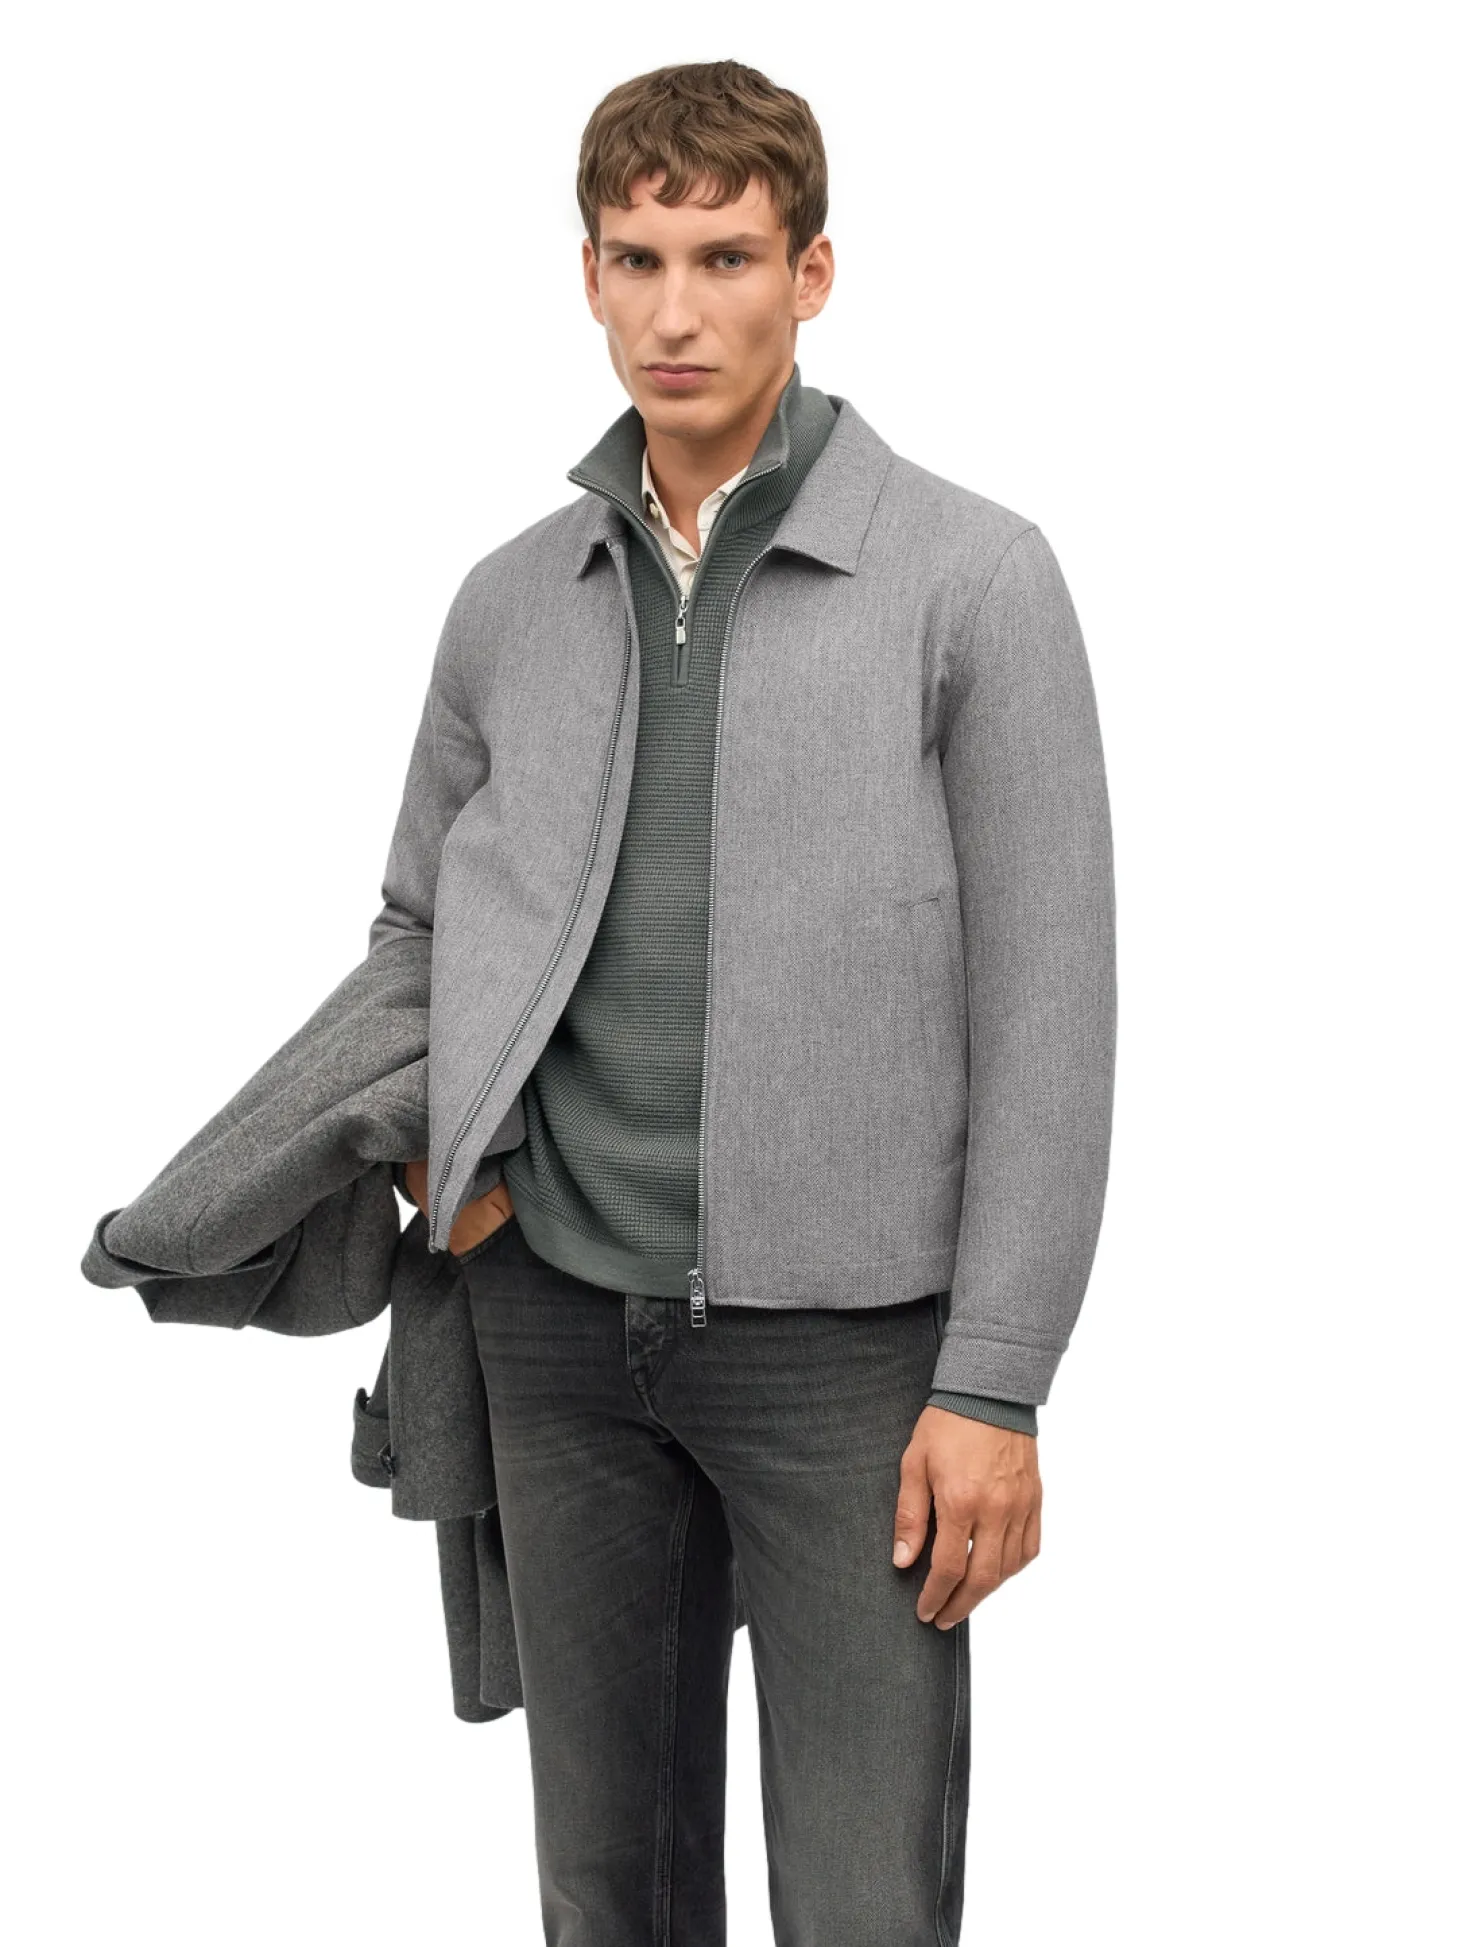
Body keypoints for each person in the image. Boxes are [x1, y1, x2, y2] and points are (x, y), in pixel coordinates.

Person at [387, 57, 1116, 1947]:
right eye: (638, 258)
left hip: (853, 1361)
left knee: (866, 1904)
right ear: (587, 275)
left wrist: (995, 1376)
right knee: (607, 1897)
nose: (677, 310)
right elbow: (419, 929)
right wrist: (448, 1160)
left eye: (725, 257)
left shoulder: (975, 579)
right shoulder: (509, 601)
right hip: (559, 1322)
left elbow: (1052, 1010)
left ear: (812, 273)